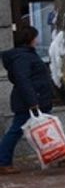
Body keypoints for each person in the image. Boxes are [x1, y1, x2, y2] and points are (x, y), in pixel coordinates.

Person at [0, 26, 59, 174]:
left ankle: (61, 155)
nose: (37, 41)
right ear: (29, 39)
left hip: (38, 99)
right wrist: (33, 102)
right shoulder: (22, 57)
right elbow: (23, 80)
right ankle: (3, 161)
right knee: (16, 131)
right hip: (30, 101)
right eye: (35, 37)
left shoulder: (26, 54)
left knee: (50, 126)